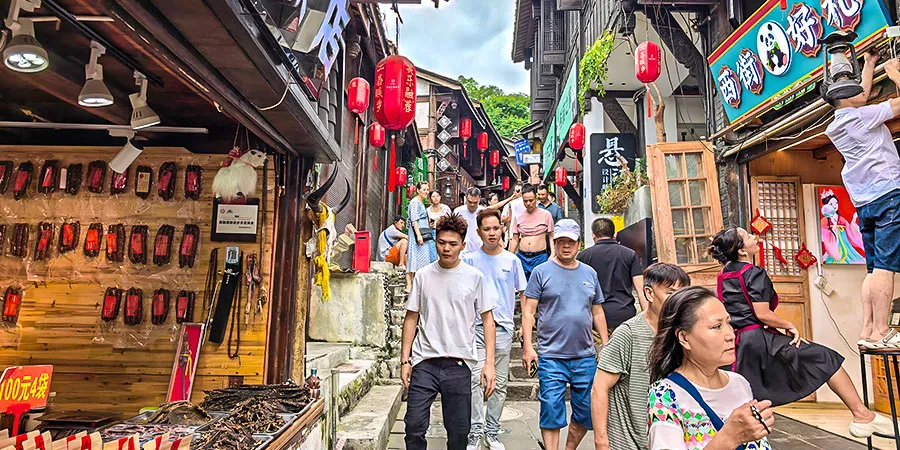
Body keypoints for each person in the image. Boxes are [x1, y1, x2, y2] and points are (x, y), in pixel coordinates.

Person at [708, 227, 895, 438]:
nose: (755, 237)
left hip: (739, 343)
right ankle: (862, 415)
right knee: (825, 358)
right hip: (759, 340)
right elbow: (763, 314)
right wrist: (790, 325)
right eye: (749, 236)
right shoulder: (754, 272)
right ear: (742, 251)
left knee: (741, 391)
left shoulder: (724, 275)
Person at [823, 50, 900, 348]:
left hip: (864, 200)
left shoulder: (838, 123)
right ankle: (882, 330)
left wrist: (869, 63)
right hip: (888, 192)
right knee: (885, 266)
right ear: (848, 96)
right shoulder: (863, 116)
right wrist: (894, 74)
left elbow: (863, 97)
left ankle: (868, 330)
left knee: (872, 267)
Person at [401, 213, 497, 450]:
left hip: (459, 364)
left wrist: (490, 364)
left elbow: (488, 320)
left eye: (453, 244)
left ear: (463, 246)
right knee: (413, 425)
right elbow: (411, 316)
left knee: (458, 432)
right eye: (442, 242)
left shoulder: (474, 277)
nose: (446, 248)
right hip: (425, 361)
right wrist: (405, 360)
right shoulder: (423, 276)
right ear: (435, 242)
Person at [647, 286, 774, 450]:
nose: (730, 335)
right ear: (684, 338)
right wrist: (728, 438)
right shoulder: (665, 395)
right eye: (716, 326)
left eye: (728, 323)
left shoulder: (740, 384)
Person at [522, 219, 608, 450]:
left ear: (579, 244)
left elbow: (597, 311)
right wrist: (529, 347)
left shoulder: (590, 273)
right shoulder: (541, 272)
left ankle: (569, 448)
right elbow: (529, 312)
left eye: (570, 241)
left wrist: (605, 345)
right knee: (551, 407)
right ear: (554, 243)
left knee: (587, 410)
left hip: (585, 355)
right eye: (561, 241)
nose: (566, 246)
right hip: (551, 355)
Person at [591, 263, 690, 450]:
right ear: (649, 293)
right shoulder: (628, 334)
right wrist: (601, 441)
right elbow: (599, 388)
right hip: (627, 442)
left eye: (682, 295)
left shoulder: (683, 335)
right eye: (671, 293)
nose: (679, 301)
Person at [463, 209, 527, 450]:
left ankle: (492, 431)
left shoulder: (512, 260)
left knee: (498, 384)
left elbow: (524, 294)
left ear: (502, 229)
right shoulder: (469, 260)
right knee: (475, 379)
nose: (492, 233)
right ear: (478, 232)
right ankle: (475, 431)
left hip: (502, 328)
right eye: (487, 229)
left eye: (496, 228)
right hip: (475, 327)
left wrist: (525, 330)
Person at [577, 218, 643, 338]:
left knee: (601, 355)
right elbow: (641, 289)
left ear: (593, 235)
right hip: (625, 318)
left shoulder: (583, 256)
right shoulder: (630, 254)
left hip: (594, 318)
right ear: (615, 234)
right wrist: (646, 319)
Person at [510, 184, 555, 280]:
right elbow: (515, 238)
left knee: (540, 285)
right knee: (523, 287)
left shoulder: (546, 215)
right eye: (525, 201)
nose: (528, 203)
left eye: (531, 200)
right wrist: (510, 256)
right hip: (522, 257)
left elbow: (552, 236)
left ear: (536, 198)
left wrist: (553, 254)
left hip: (540, 257)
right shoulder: (518, 215)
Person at [454, 187, 518, 255]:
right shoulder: (458, 211)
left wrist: (510, 198)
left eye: (475, 202)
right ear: (466, 197)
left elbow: (496, 206)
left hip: (480, 249)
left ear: (479, 198)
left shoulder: (482, 211)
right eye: (470, 202)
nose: (472, 205)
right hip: (463, 250)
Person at [820, 189, 865, 264]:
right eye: (831, 204)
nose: (834, 206)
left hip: (846, 246)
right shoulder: (824, 221)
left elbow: (850, 232)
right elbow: (824, 236)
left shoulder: (842, 219)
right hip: (833, 246)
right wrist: (833, 231)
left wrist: (853, 220)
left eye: (836, 203)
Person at [406, 181, 437, 291]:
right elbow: (414, 220)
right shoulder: (415, 202)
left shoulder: (421, 202)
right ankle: (409, 285)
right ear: (418, 190)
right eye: (424, 189)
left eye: (427, 189)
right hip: (417, 233)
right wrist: (418, 235)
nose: (426, 192)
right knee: (413, 256)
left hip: (423, 231)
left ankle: (416, 283)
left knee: (422, 258)